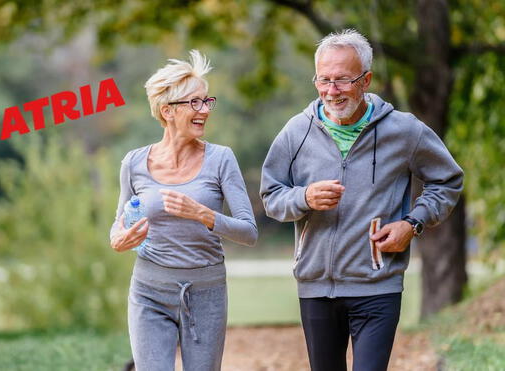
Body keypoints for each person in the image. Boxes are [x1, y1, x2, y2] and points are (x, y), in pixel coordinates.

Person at [260, 29, 463, 371]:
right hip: (315, 286)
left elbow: (448, 180)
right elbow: (271, 195)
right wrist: (304, 197)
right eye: (323, 80)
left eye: (342, 80)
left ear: (366, 79)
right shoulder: (296, 132)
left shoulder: (404, 131)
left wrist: (412, 224)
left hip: (377, 283)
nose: (331, 91)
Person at [110, 50, 258, 371]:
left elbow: (249, 232)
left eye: (206, 101)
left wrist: (204, 215)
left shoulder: (221, 159)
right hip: (148, 291)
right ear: (167, 111)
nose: (204, 110)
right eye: (194, 102)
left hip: (206, 292)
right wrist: (119, 239)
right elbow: (118, 224)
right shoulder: (134, 163)